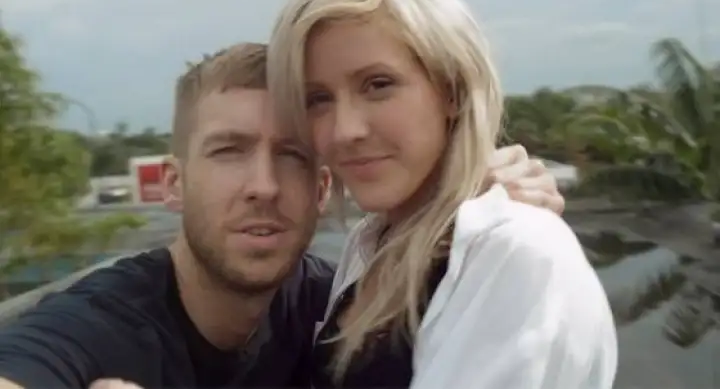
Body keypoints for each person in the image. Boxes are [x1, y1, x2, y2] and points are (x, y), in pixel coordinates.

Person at [0, 43, 563, 389]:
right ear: (174, 184)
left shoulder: (334, 306)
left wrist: (474, 197)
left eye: (292, 155)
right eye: (229, 150)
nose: (264, 187)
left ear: (322, 188)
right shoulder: (99, 323)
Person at [265, 0, 618, 388]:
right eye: (317, 99)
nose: (345, 130)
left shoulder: (516, 253)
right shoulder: (370, 243)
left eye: (378, 85)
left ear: (451, 88)